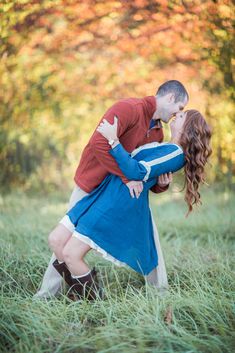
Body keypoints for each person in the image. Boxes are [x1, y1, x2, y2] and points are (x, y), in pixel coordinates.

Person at [34, 80, 189, 299]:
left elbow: (145, 176)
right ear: (171, 97)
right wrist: (127, 178)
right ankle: (52, 294)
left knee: (149, 237)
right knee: (62, 240)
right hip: (92, 184)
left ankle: (160, 293)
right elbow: (99, 143)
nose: (177, 114)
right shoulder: (127, 108)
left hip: (119, 195)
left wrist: (161, 185)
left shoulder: (158, 133)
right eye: (179, 107)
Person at [48, 109, 212, 301]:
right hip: (104, 192)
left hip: (116, 203)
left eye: (182, 116)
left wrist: (113, 140)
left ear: (188, 128)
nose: (177, 115)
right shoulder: (166, 146)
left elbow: (137, 171)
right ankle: (78, 293)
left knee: (71, 254)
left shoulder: (175, 154)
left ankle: (93, 305)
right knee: (56, 239)